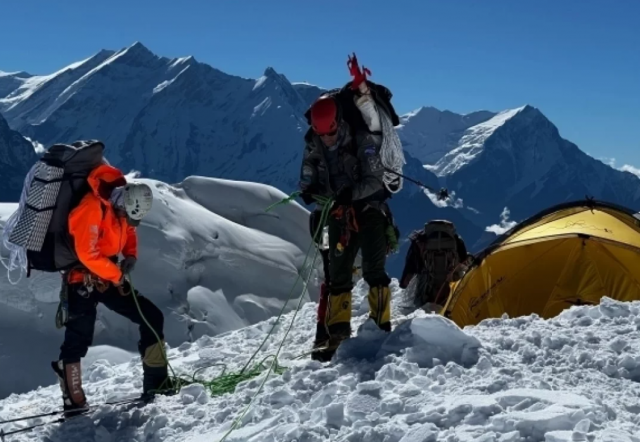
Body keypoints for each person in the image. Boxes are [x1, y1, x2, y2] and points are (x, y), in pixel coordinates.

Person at [51, 163, 170, 414]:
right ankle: (73, 400)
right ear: (122, 202)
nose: (128, 220)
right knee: (77, 340)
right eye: (127, 214)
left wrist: (130, 255)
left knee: (151, 316)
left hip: (107, 277)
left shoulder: (121, 207)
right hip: (81, 281)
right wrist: (117, 275)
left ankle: (156, 382)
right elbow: (87, 254)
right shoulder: (90, 208)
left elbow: (129, 232)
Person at [299, 84, 397, 361]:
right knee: (338, 271)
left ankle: (380, 327)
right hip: (338, 211)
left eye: (330, 132)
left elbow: (375, 179)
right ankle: (336, 334)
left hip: (369, 208)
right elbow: (307, 173)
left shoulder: (363, 140)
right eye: (322, 134)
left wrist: (350, 194)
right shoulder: (313, 142)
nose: (327, 139)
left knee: (373, 268)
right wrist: (308, 189)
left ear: (338, 123)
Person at [399, 220, 472, 311]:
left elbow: (411, 264)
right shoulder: (457, 240)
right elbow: (463, 261)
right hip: (450, 285)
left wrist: (403, 283)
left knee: (423, 309)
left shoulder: (420, 240)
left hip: (425, 287)